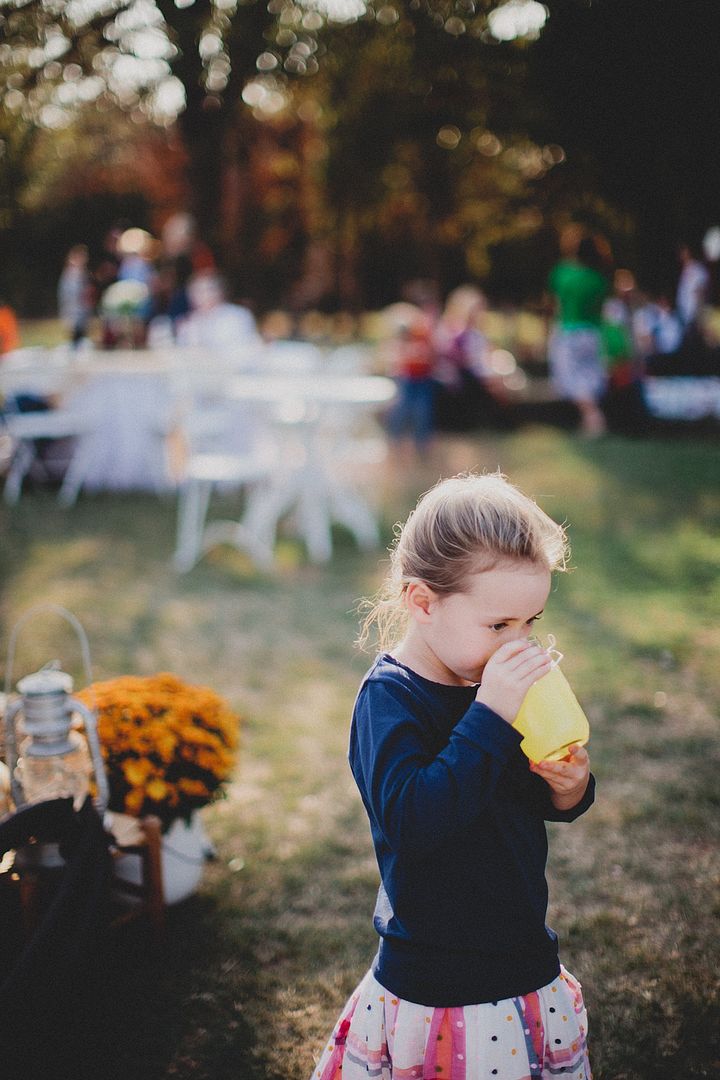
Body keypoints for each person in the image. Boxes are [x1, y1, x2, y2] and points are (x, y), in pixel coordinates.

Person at [309, 472, 595, 1080]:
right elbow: (414, 819)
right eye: (499, 626)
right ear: (423, 602)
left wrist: (567, 790)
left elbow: (514, 791)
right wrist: (490, 714)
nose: (518, 643)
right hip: (437, 978)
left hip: (522, 952)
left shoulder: (490, 685)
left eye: (531, 622)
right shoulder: (391, 700)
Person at [547, 228, 611, 436]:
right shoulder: (598, 278)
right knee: (589, 378)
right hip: (593, 332)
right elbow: (602, 310)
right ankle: (590, 421)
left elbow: (556, 306)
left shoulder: (563, 273)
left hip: (569, 332)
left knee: (569, 379)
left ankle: (593, 417)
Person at [57, 245, 92, 347]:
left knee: (82, 335)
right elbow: (67, 296)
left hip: (82, 310)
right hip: (73, 310)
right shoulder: (70, 275)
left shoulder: (83, 274)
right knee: (74, 336)